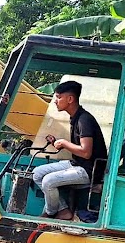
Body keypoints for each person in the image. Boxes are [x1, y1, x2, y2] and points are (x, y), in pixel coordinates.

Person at [32, 80, 107, 220]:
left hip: (89, 171)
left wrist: (65, 143)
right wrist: (57, 142)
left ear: (70, 99)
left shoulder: (84, 120)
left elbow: (86, 152)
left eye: (59, 97)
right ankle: (63, 210)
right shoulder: (76, 117)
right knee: (37, 173)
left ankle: (50, 213)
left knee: (48, 181)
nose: (55, 101)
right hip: (77, 164)